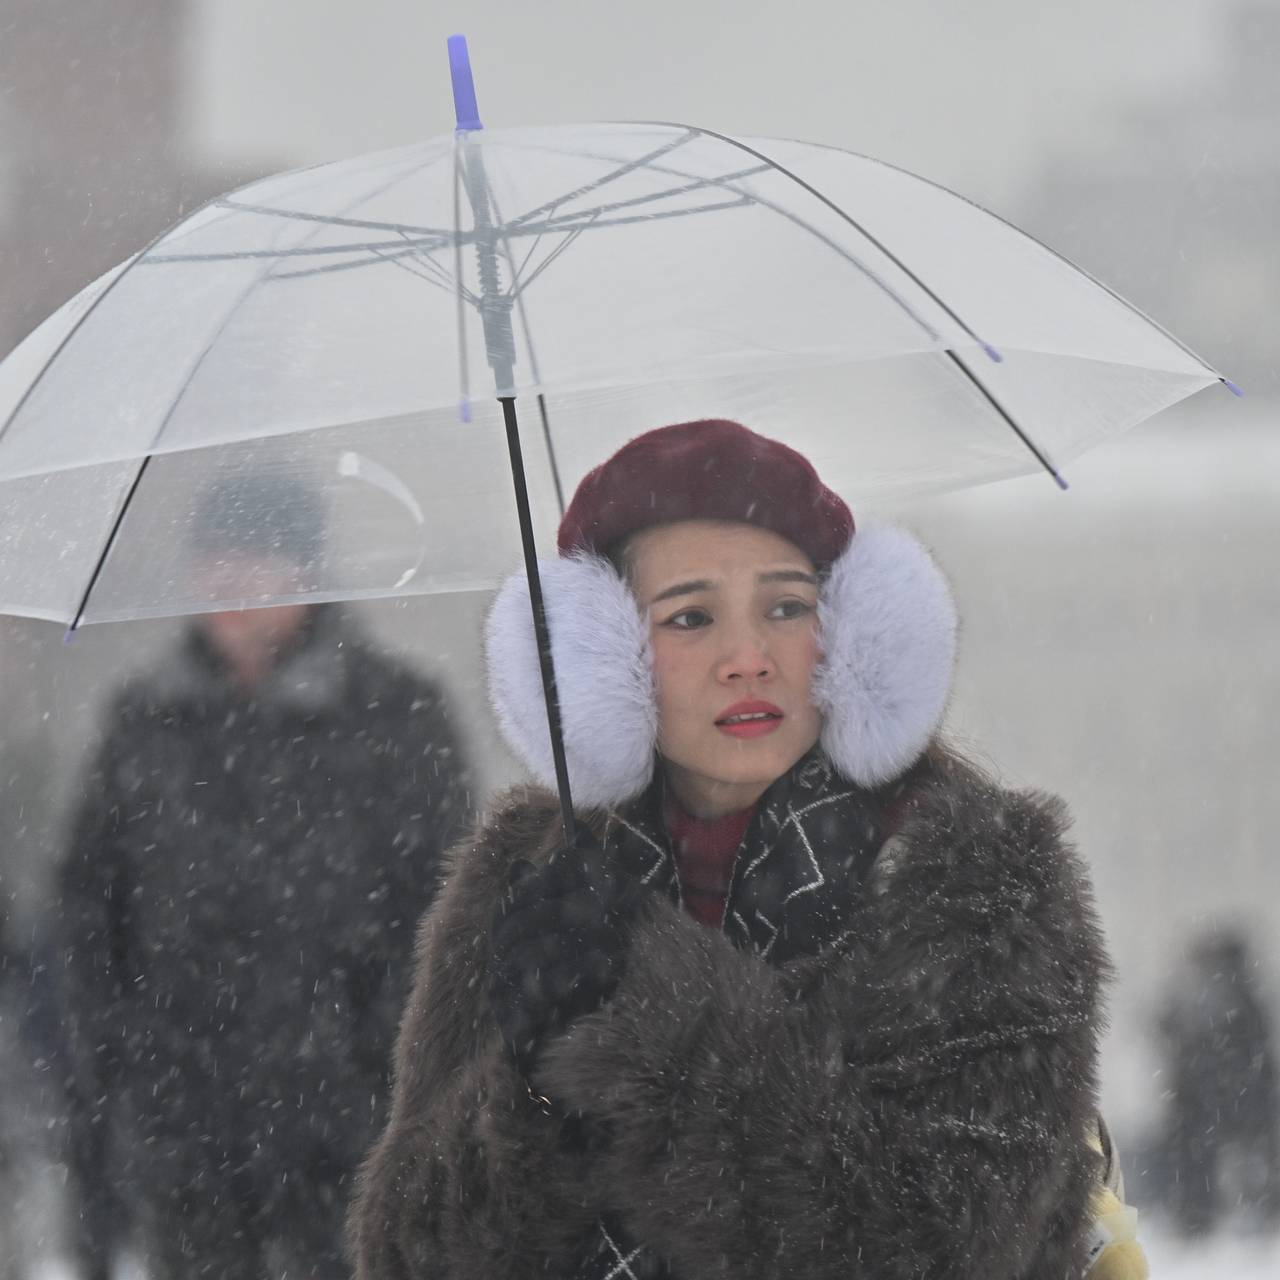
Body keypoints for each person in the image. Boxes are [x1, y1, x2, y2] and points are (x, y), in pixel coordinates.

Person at [352, 419, 1136, 1279]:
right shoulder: (531, 876)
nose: (748, 658)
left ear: (849, 633)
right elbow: (410, 1256)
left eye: (787, 608)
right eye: (690, 617)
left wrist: (639, 1007)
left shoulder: (974, 876)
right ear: (599, 659)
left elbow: (939, 1248)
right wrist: (531, 1096)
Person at [55, 472, 471, 1280]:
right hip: (185, 1131)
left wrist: (376, 1059)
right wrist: (125, 1064)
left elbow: (446, 910)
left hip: (353, 1131)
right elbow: (90, 911)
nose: (230, 583)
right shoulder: (145, 719)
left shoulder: (397, 713)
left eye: (256, 559)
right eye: (213, 560)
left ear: (306, 571)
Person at [1156, 925, 1280, 1235]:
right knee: (1232, 1156)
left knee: (1198, 1157)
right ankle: (1210, 1214)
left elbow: (1174, 1035)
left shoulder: (1209, 994)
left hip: (1211, 1099)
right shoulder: (1239, 993)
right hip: (1231, 1098)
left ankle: (1198, 1215)